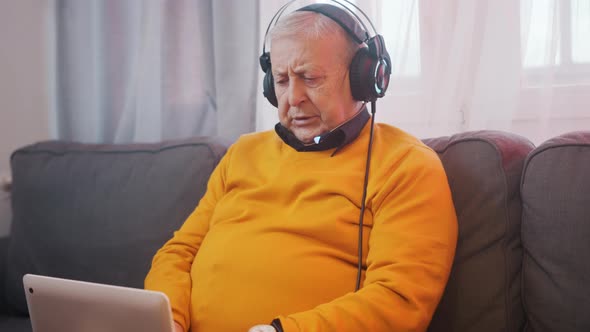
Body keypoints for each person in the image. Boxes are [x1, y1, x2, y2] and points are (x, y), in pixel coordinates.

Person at [145, 3, 458, 332]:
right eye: (281, 80)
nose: (292, 97)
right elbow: (179, 253)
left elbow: (400, 301)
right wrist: (169, 319)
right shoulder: (243, 153)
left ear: (363, 78)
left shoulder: (406, 166)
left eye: (309, 78)